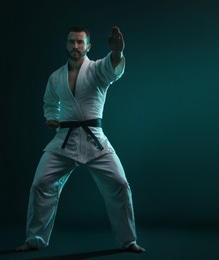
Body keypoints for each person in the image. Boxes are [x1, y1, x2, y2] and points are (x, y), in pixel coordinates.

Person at [16, 26, 145, 253]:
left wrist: (117, 53)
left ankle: (128, 240)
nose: (75, 46)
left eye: (79, 42)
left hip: (95, 139)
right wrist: (52, 118)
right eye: (71, 42)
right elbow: (49, 103)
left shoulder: (97, 69)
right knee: (40, 184)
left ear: (88, 46)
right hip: (64, 139)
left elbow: (112, 68)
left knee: (120, 184)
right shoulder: (56, 77)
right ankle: (34, 239)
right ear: (66, 45)